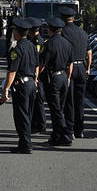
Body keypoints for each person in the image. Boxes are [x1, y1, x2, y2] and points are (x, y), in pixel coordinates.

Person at [0, 17, 37, 154]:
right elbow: (37, 65)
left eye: (14, 30)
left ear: (17, 32)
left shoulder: (17, 49)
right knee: (28, 114)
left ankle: (26, 145)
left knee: (21, 116)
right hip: (31, 83)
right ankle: (24, 142)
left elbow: (12, 71)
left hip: (21, 85)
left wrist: (6, 89)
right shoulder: (32, 46)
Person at [38, 17, 73, 147]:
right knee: (60, 108)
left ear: (49, 29)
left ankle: (65, 135)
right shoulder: (67, 43)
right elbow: (70, 63)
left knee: (55, 109)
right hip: (64, 76)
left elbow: (42, 64)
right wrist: (68, 78)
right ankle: (56, 135)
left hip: (53, 78)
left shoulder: (49, 44)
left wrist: (36, 78)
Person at [61, 6, 91, 138]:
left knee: (69, 101)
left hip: (70, 68)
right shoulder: (83, 32)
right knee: (80, 101)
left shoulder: (63, 32)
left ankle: (70, 129)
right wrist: (88, 68)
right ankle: (80, 130)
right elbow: (89, 53)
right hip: (82, 68)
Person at [28, 17, 47, 135]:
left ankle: (40, 124)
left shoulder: (37, 42)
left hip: (37, 75)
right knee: (35, 100)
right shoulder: (35, 40)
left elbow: (40, 62)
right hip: (36, 74)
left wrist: (36, 76)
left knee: (38, 100)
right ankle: (36, 123)